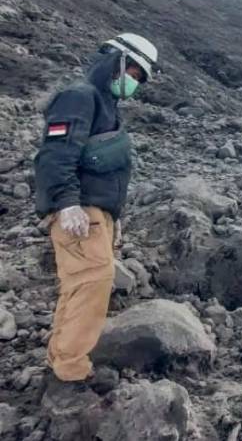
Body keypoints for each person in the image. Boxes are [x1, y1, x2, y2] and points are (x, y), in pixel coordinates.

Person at [34, 33, 158, 396]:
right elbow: (56, 153)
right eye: (132, 70)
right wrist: (66, 202)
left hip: (94, 214)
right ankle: (69, 376)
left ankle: (60, 360)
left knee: (80, 286)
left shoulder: (105, 106)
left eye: (140, 76)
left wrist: (112, 217)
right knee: (94, 281)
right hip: (78, 212)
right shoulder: (80, 96)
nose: (133, 80)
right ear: (114, 60)